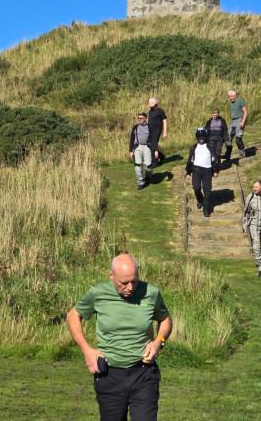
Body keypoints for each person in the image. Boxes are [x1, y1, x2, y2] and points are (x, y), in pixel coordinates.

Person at [66, 254, 172, 421]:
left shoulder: (151, 293)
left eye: (134, 281)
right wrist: (87, 350)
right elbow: (73, 316)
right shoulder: (97, 293)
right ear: (111, 276)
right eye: (124, 283)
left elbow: (165, 319)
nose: (130, 287)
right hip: (109, 375)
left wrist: (159, 342)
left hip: (143, 373)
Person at [185, 128, 219, 217]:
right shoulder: (193, 147)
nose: (201, 138)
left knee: (207, 191)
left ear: (205, 136)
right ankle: (200, 200)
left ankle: (206, 209)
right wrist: (188, 172)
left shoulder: (210, 146)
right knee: (196, 188)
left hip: (207, 171)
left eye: (203, 136)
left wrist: (215, 170)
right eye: (199, 137)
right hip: (196, 170)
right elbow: (190, 160)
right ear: (197, 137)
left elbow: (215, 159)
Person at [129, 112, 158, 190]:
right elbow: (132, 139)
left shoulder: (150, 127)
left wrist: (155, 150)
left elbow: (154, 139)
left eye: (141, 118)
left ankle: (148, 176)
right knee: (137, 165)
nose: (139, 119)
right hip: (137, 147)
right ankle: (141, 182)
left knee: (148, 165)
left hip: (147, 147)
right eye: (138, 118)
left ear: (145, 119)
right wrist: (130, 151)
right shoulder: (135, 127)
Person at [225, 90, 247, 159]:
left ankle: (242, 152)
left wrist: (243, 122)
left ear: (235, 95)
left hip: (239, 120)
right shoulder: (231, 102)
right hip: (233, 121)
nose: (230, 98)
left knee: (238, 138)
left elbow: (245, 112)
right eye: (229, 97)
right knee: (227, 137)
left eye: (231, 96)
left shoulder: (240, 101)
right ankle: (227, 154)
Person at [147, 98, 167, 166]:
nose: (148, 104)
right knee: (149, 144)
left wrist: (165, 132)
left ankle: (154, 163)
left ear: (155, 104)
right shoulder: (150, 111)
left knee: (154, 145)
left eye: (150, 103)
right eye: (148, 102)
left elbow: (164, 120)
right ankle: (161, 156)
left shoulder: (160, 111)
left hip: (157, 130)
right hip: (150, 130)